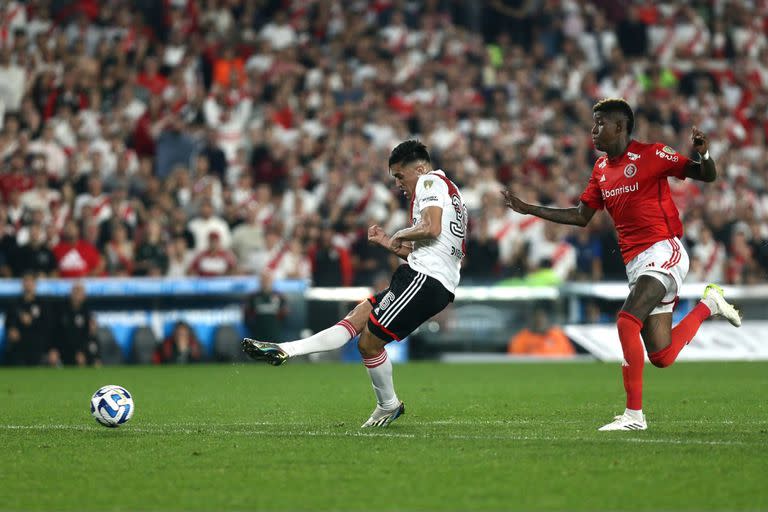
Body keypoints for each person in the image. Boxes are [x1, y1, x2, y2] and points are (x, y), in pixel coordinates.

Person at [502, 98, 742, 431]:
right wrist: (529, 208)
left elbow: (706, 175)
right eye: (592, 123)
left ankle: (634, 416)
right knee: (661, 356)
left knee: (626, 321)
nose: (593, 129)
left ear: (619, 126)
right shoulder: (600, 169)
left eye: (599, 123)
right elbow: (581, 216)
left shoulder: (653, 154)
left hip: (664, 249)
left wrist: (704, 154)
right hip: (636, 263)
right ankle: (709, 305)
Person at [242, 140, 467, 428]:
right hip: (429, 278)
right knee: (358, 316)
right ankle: (287, 349)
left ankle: (389, 405)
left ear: (420, 168)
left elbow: (431, 227)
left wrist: (399, 233)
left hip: (424, 280)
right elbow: (431, 246)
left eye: (400, 176)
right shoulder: (452, 191)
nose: (398, 183)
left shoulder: (428, 183)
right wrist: (390, 242)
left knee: (369, 344)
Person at [4, 272, 53, 366]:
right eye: (25, 281)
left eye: (30, 281)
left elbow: (47, 326)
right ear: (22, 284)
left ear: (35, 284)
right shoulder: (15, 304)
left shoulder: (42, 304)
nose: (28, 284)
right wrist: (11, 330)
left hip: (36, 347)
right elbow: (8, 323)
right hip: (18, 347)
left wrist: (32, 321)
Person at [52, 282, 100, 367]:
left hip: (81, 350)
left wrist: (83, 352)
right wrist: (53, 349)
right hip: (63, 349)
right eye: (75, 291)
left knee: (94, 358)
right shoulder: (61, 311)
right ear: (71, 293)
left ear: (84, 295)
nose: (77, 294)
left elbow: (89, 336)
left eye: (80, 291)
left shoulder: (87, 313)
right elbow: (55, 332)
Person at [507, 307, 575, 357]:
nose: (539, 320)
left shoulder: (558, 336)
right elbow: (514, 361)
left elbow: (570, 358)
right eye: (536, 317)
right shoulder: (521, 338)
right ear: (531, 318)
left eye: (542, 317)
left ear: (547, 318)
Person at [243, 270, 287, 343]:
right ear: (260, 281)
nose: (265, 282)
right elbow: (246, 316)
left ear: (272, 280)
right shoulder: (252, 297)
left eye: (268, 279)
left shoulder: (280, 296)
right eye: (263, 279)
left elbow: (284, 316)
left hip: (275, 335)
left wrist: (277, 327)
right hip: (258, 336)